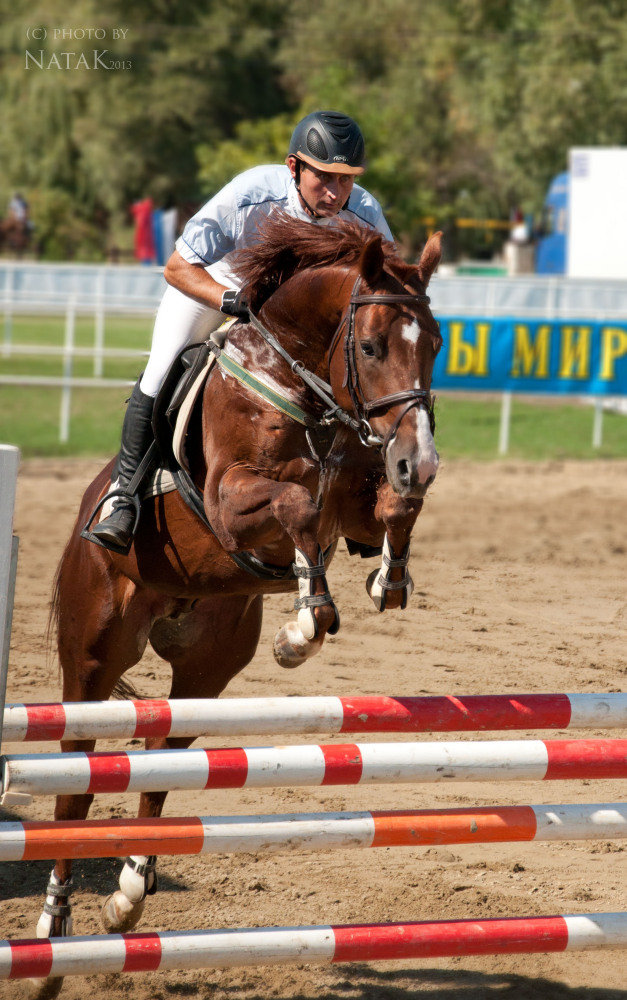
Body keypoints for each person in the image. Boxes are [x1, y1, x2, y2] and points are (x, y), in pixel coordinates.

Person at [89, 110, 394, 553]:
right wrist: (229, 301)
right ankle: (123, 494)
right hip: (220, 290)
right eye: (324, 177)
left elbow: (384, 285)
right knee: (161, 369)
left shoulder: (363, 213)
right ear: (294, 167)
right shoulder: (252, 195)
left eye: (346, 179)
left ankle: (357, 503)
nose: (335, 193)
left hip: (293, 320)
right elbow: (178, 267)